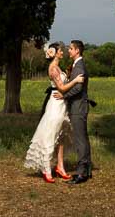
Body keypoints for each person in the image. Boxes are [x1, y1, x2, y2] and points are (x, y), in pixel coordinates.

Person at [24, 41, 84, 183]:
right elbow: (62, 89)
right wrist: (75, 80)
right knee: (51, 135)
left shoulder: (58, 67)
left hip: (62, 104)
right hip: (56, 104)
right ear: (55, 53)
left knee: (61, 136)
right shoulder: (53, 69)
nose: (63, 52)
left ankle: (60, 167)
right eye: (60, 51)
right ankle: (46, 169)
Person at [53, 39, 92, 184]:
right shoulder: (77, 65)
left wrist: (64, 95)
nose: (68, 50)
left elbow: (78, 88)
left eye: (70, 48)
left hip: (78, 107)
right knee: (83, 139)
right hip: (79, 107)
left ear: (77, 51)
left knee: (80, 140)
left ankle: (82, 174)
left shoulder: (79, 66)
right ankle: (86, 170)